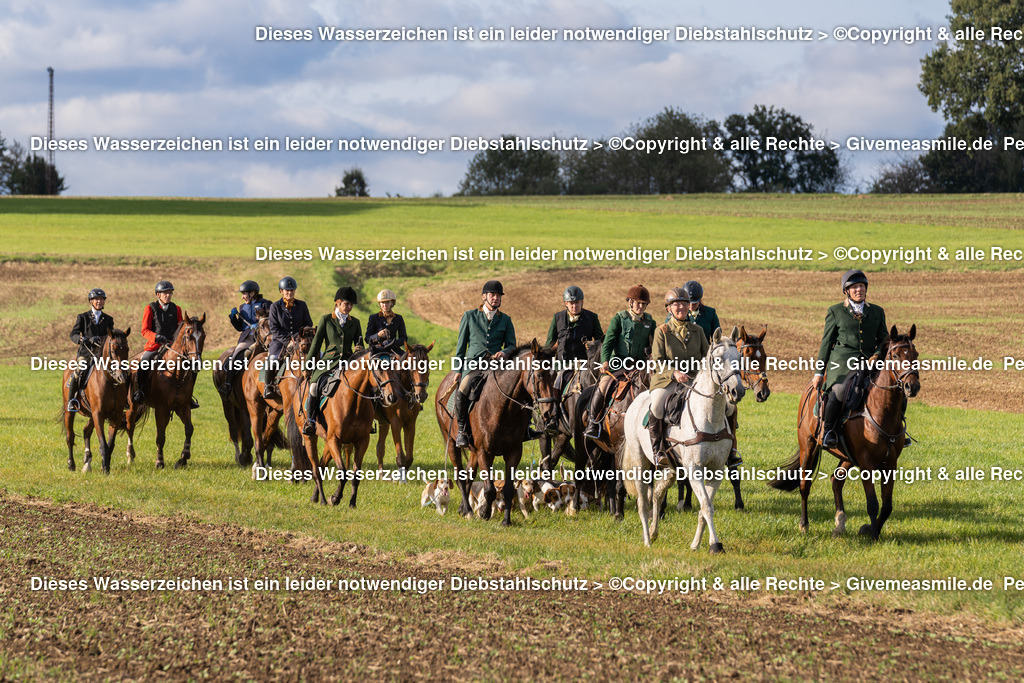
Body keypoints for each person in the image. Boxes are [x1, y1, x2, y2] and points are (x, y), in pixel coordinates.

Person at [814, 269, 888, 449]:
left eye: (861, 286)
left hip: (870, 363)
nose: (859, 290)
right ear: (846, 291)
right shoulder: (835, 311)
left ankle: (899, 430)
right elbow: (826, 343)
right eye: (854, 287)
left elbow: (885, 339)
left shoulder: (877, 312)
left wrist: (877, 354)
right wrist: (818, 372)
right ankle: (829, 431)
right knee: (839, 390)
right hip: (842, 364)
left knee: (893, 387)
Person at [584, 285, 656, 439]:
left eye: (644, 304)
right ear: (630, 302)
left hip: (640, 365)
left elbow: (654, 345)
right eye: (638, 303)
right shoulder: (619, 319)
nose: (641, 307)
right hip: (619, 364)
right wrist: (605, 362)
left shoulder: (650, 322)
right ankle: (593, 423)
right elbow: (608, 343)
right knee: (603, 386)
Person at [452, 280, 518, 448]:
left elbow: (512, 345)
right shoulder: (469, 316)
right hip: (474, 365)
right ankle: (462, 431)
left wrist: (504, 352)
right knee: (463, 389)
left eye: (498, 296)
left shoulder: (506, 320)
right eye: (492, 295)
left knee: (518, 387)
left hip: (496, 365)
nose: (496, 298)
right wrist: (458, 370)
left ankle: (525, 428)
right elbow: (461, 346)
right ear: (484, 297)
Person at [648, 288, 708, 467]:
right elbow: (657, 361)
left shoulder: (698, 330)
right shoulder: (662, 331)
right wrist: (674, 373)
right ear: (669, 308)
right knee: (657, 406)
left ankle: (730, 450)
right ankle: (657, 450)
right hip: (668, 381)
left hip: (694, 380)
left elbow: (706, 356)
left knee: (726, 406)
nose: (681, 307)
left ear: (689, 307)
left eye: (684, 304)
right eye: (676, 304)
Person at [302, 287, 364, 436]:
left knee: (365, 385)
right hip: (328, 362)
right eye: (346, 304)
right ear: (337, 302)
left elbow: (359, 343)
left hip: (348, 362)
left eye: (351, 305)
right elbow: (316, 344)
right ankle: (310, 420)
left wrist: (359, 349)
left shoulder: (355, 322)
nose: (349, 307)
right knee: (314, 386)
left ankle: (367, 421)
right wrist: (308, 365)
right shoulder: (326, 319)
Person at [134, 280, 199, 408]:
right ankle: (140, 392)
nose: (168, 295)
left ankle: (189, 395)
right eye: (165, 293)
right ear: (158, 295)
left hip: (173, 346)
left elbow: (180, 329)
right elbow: (144, 330)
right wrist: (156, 337)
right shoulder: (150, 308)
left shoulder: (177, 309)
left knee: (193, 364)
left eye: (170, 293)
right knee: (145, 361)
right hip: (155, 345)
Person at [545, 285, 603, 394]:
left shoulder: (592, 317)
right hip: (563, 365)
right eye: (571, 303)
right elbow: (549, 343)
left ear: (582, 302)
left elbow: (601, 341)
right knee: (556, 387)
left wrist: (592, 344)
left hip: (585, 364)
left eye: (577, 303)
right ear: (566, 303)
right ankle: (555, 410)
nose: (574, 306)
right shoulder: (558, 318)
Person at [263, 276, 313, 399]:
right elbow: (274, 329)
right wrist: (288, 341)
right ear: (281, 291)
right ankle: (268, 386)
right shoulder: (275, 307)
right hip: (280, 341)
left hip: (299, 340)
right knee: (273, 359)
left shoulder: (302, 305)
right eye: (287, 291)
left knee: (317, 356)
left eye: (292, 290)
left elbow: (308, 324)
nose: (289, 293)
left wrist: (299, 337)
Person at [66, 288, 115, 412]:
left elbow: (111, 336)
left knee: (119, 371)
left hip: (102, 354)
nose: (99, 302)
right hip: (86, 353)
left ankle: (121, 400)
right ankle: (72, 400)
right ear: (91, 301)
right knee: (79, 371)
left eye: (101, 299)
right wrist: (84, 340)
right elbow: (74, 334)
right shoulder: (83, 317)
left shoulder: (108, 319)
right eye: (96, 299)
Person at [218, 280, 270, 395]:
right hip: (247, 340)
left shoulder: (265, 304)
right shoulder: (242, 307)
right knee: (235, 356)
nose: (242, 297)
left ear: (252, 293)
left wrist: (260, 325)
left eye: (244, 294)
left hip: (262, 339)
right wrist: (233, 318)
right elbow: (239, 328)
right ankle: (228, 384)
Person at [365, 289, 407, 357]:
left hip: (394, 350)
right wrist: (378, 335)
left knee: (408, 364)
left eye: (387, 302)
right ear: (380, 304)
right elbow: (367, 339)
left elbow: (404, 338)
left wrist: (392, 343)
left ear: (392, 303)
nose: (385, 305)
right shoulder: (373, 318)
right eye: (382, 302)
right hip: (377, 351)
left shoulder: (398, 318)